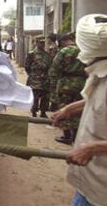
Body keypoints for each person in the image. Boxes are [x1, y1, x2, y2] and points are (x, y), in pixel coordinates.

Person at [51, 14, 107, 206]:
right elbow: (98, 101)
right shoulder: (100, 71)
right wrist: (70, 108)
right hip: (90, 179)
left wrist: (93, 148)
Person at [49, 33, 86, 145]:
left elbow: (54, 69)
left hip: (66, 83)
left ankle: (67, 136)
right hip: (82, 83)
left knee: (64, 107)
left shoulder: (63, 52)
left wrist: (53, 84)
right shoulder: (83, 50)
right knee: (78, 108)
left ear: (63, 41)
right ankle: (76, 136)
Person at [24, 35, 51, 117]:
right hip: (35, 79)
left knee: (45, 96)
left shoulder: (47, 54)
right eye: (40, 43)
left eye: (43, 43)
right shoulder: (32, 54)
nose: (42, 44)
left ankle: (43, 112)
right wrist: (32, 74)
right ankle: (34, 111)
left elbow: (50, 66)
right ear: (36, 43)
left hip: (45, 79)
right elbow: (27, 66)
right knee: (35, 97)